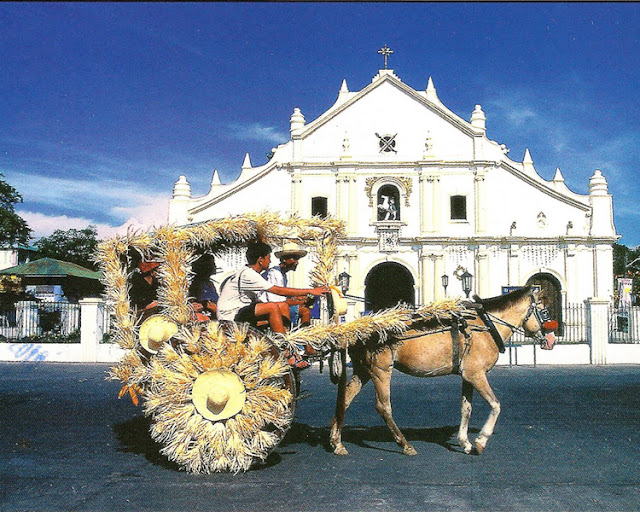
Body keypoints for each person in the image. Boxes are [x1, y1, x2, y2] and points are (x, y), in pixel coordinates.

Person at [217, 241, 329, 368]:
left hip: (241, 311)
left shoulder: (253, 273)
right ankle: (286, 351)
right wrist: (311, 291)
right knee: (274, 307)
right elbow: (279, 291)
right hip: (231, 315)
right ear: (260, 260)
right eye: (268, 258)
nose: (270, 262)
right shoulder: (249, 274)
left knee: (282, 306)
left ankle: (289, 343)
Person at [259, 242, 312, 329]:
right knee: (305, 311)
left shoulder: (282, 274)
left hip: (275, 305)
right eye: (294, 259)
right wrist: (300, 302)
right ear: (284, 259)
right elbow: (277, 301)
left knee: (303, 308)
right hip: (268, 308)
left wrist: (297, 298)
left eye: (297, 259)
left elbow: (283, 296)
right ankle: (301, 337)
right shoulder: (274, 273)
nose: (296, 263)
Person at [189, 253, 218, 320]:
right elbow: (208, 305)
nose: (215, 266)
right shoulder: (199, 284)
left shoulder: (209, 283)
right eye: (213, 264)